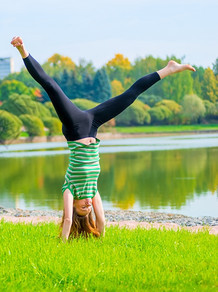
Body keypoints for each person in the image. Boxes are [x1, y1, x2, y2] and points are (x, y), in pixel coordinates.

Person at [10, 36, 196, 242]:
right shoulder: (92, 191)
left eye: (82, 207)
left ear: (73, 205)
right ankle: (168, 69)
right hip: (92, 126)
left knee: (51, 86)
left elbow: (68, 221)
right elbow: (102, 221)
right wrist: (100, 235)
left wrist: (62, 242)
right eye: (86, 208)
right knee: (129, 97)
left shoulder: (69, 189)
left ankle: (23, 51)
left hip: (74, 127)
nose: (86, 205)